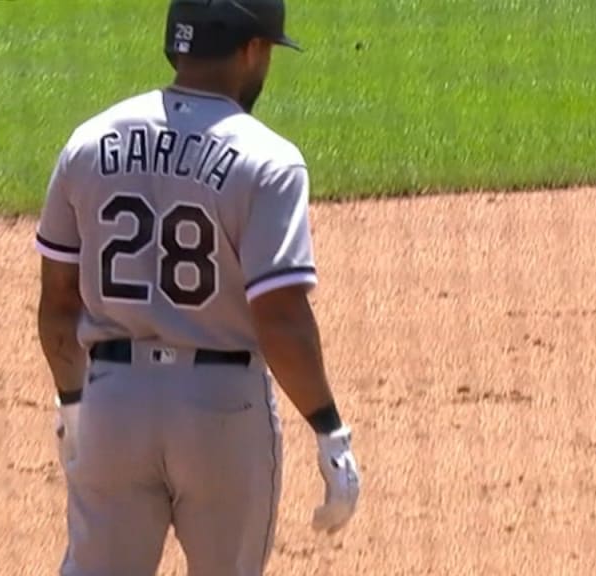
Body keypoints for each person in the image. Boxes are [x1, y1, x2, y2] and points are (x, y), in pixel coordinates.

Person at [33, 1, 361, 574]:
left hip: (114, 404)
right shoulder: (269, 160)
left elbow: (59, 305)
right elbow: (281, 319)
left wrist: (74, 406)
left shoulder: (89, 142)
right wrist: (329, 429)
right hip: (220, 411)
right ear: (251, 50)